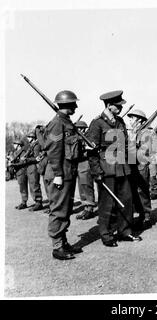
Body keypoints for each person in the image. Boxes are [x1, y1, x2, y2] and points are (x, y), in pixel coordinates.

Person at [87, 90, 142, 247]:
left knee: (126, 200)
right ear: (109, 105)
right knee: (107, 203)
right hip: (106, 169)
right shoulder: (97, 123)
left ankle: (125, 231)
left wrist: (133, 166)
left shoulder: (120, 122)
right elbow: (91, 151)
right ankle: (107, 234)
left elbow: (125, 145)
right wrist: (96, 171)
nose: (121, 108)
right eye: (118, 105)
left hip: (123, 168)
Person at [44, 90, 83, 260]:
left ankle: (63, 241)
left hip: (68, 172)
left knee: (65, 209)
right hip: (58, 173)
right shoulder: (57, 123)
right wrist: (58, 174)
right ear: (67, 104)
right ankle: (57, 247)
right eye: (74, 103)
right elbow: (53, 150)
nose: (76, 106)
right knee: (58, 209)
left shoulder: (66, 122)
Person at [127, 109, 153, 229]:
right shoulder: (133, 132)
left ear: (138, 120)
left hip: (141, 165)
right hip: (132, 165)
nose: (130, 121)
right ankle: (140, 215)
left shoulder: (147, 133)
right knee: (134, 192)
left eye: (132, 118)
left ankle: (146, 216)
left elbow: (145, 150)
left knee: (142, 191)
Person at [74, 120, 96, 220]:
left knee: (87, 186)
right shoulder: (76, 138)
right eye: (78, 128)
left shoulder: (87, 138)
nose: (80, 130)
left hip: (86, 164)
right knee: (81, 187)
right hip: (79, 164)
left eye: (81, 128)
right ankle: (86, 207)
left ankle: (90, 208)